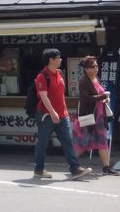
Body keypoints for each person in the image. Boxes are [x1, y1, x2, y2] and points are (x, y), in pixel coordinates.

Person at [33, 48, 92, 180]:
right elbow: (43, 96)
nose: (60, 60)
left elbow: (60, 95)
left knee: (67, 142)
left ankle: (75, 169)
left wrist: (62, 112)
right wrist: (52, 112)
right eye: (58, 58)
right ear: (51, 60)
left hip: (62, 115)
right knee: (42, 143)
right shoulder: (42, 76)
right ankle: (39, 169)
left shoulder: (59, 73)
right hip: (46, 115)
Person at [72, 55, 120, 175]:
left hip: (99, 116)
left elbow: (98, 95)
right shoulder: (83, 81)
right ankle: (72, 163)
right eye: (93, 67)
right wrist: (103, 96)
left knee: (103, 141)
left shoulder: (95, 78)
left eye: (96, 66)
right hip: (89, 115)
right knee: (83, 142)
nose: (96, 68)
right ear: (86, 69)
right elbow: (85, 98)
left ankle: (106, 167)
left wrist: (104, 99)